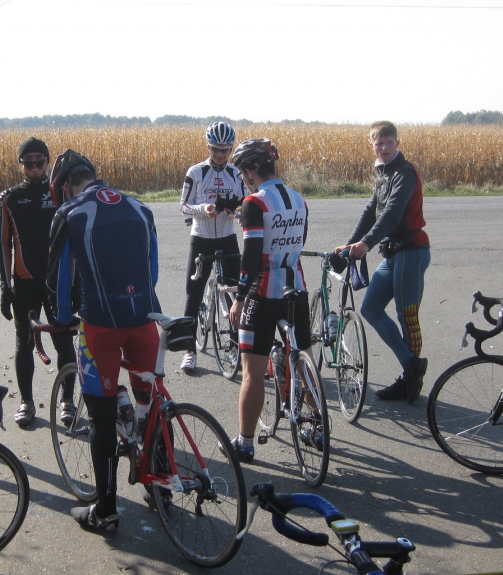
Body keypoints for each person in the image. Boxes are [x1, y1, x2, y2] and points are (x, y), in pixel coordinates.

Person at [45, 150, 162, 532]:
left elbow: (60, 279)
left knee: (101, 418)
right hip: (145, 320)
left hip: (100, 327)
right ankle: (162, 484)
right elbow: (152, 271)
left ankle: (107, 510)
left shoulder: (69, 213)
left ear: (64, 186)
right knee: (151, 403)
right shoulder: (140, 208)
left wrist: (64, 317)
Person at [226, 138, 311, 464]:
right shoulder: (299, 199)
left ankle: (245, 443)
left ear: (250, 170)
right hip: (296, 289)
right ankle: (317, 425)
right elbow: (299, 243)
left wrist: (239, 298)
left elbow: (251, 257)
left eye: (242, 173)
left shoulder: (254, 203)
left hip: (262, 293)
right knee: (303, 361)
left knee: (252, 371)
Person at [333, 121, 430, 403]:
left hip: (411, 250)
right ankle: (412, 366)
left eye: (389, 143)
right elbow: (370, 212)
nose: (385, 148)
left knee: (406, 316)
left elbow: (392, 214)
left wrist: (366, 244)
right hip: (392, 252)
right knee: (371, 308)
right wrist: (351, 243)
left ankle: (409, 378)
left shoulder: (404, 173)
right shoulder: (383, 172)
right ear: (372, 146)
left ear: (397, 144)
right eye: (379, 143)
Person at [0, 137, 75, 426]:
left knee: (63, 342)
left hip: (57, 284)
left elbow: (74, 240)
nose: (34, 166)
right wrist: (6, 288)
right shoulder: (9, 198)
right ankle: (27, 402)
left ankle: (68, 401)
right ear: (21, 164)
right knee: (24, 343)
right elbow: (3, 246)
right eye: (28, 161)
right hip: (25, 283)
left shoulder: (61, 193)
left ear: (47, 161)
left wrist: (76, 283)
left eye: (39, 160)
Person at [177, 121, 246, 373]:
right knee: (193, 294)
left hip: (227, 237)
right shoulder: (196, 172)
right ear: (208, 147)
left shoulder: (236, 173)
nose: (219, 154)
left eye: (225, 150)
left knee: (236, 293)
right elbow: (183, 206)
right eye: (215, 149)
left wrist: (237, 211)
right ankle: (189, 350)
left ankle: (235, 347)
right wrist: (202, 209)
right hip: (202, 238)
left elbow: (245, 203)